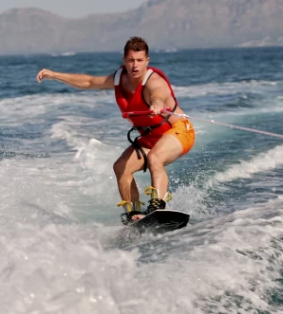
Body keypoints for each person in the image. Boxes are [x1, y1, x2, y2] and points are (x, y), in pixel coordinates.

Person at [36, 36, 195, 223]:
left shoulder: (154, 81)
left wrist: (157, 103)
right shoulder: (119, 79)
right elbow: (89, 82)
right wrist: (54, 75)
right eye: (131, 60)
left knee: (155, 158)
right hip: (151, 137)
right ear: (124, 60)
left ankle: (157, 206)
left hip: (178, 131)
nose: (135, 65)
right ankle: (135, 213)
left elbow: (158, 94)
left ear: (147, 61)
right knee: (121, 167)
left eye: (139, 60)